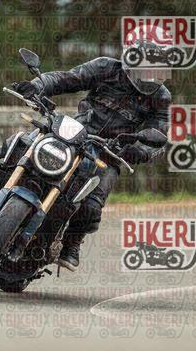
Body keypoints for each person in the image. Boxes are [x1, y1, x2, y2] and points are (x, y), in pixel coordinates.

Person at [12, 53, 172, 271]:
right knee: (19, 146)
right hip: (76, 134)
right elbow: (67, 78)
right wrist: (37, 85)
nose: (149, 76)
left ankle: (71, 243)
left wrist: (139, 151)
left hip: (111, 151)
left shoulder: (161, 97)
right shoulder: (107, 67)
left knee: (92, 206)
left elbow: (159, 135)